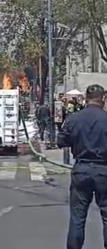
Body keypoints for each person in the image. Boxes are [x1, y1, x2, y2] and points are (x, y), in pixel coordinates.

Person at [57, 84, 107, 249]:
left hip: (82, 169)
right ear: (103, 99)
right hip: (104, 171)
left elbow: (61, 141)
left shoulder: (74, 119)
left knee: (77, 217)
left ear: (86, 98)